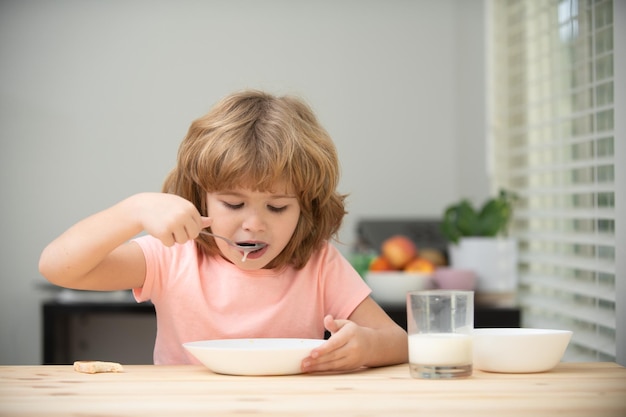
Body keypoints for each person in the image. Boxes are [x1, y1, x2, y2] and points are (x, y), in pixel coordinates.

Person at [39, 90, 408, 372]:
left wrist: (367, 347)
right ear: (200, 199)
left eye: (278, 207)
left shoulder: (319, 264)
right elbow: (58, 267)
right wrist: (132, 210)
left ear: (305, 208)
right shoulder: (173, 255)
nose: (254, 223)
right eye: (233, 204)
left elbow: (402, 342)